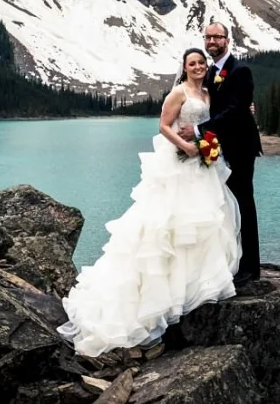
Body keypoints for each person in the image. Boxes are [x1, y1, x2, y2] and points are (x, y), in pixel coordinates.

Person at [58, 48, 241, 357]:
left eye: (200, 63)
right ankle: (155, 303)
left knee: (206, 221)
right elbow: (163, 126)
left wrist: (211, 140)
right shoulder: (178, 93)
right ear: (184, 68)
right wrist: (186, 145)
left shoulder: (210, 92)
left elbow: (218, 120)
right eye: (191, 64)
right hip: (180, 165)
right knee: (170, 226)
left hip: (202, 166)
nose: (197, 67)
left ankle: (197, 285)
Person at [180, 21, 262, 285]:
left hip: (240, 148)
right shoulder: (208, 73)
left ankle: (251, 267)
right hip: (217, 150)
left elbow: (236, 110)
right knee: (224, 205)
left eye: (218, 37)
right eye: (208, 37)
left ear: (228, 40)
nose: (212, 41)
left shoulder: (240, 70)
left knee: (244, 204)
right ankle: (230, 259)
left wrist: (198, 129)